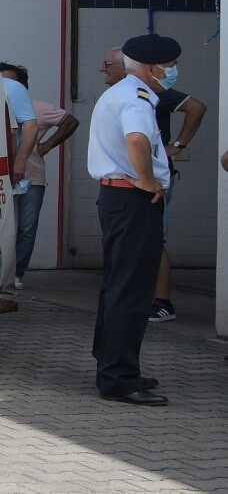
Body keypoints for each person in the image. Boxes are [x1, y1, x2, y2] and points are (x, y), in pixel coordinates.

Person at [85, 34, 178, 406]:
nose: (172, 72)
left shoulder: (123, 93)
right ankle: (119, 378)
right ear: (152, 69)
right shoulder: (136, 98)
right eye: (169, 67)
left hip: (118, 197)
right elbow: (138, 141)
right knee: (132, 289)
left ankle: (112, 365)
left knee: (118, 285)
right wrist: (147, 180)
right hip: (133, 199)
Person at [0, 63, 78, 290]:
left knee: (26, 228)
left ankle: (18, 273)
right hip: (2, 176)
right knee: (5, 226)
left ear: (22, 86)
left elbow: (70, 121)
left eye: (10, 81)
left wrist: (46, 146)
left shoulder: (38, 108)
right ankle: (3, 271)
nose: (4, 85)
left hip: (31, 178)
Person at [147, 60, 205, 323]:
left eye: (107, 65)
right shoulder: (127, 94)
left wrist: (178, 145)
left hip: (155, 178)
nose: (104, 70)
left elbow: (196, 107)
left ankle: (162, 302)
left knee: (154, 239)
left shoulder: (156, 92)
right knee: (144, 239)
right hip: (136, 179)